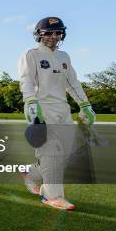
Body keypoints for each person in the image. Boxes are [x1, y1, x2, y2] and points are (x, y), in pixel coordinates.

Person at [18, 16, 96, 211]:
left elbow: (73, 83)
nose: (53, 36)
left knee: (64, 154)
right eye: (48, 33)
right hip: (41, 107)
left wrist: (85, 105)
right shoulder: (31, 54)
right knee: (51, 152)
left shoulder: (64, 57)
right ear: (39, 35)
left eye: (57, 33)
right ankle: (53, 196)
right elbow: (26, 80)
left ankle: (31, 173)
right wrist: (30, 103)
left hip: (63, 109)